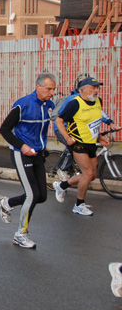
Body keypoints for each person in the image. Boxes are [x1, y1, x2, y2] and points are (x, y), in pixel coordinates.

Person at [0, 73, 56, 248]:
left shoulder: (49, 105)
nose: (52, 92)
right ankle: (20, 234)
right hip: (20, 153)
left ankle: (7, 203)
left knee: (42, 196)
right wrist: (22, 146)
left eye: (53, 89)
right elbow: (4, 129)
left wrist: (42, 146)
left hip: (37, 154)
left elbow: (41, 130)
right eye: (49, 89)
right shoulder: (22, 105)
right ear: (38, 87)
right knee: (32, 195)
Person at [53, 77, 117, 216]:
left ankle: (61, 185)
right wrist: (67, 137)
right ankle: (79, 205)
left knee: (92, 175)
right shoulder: (75, 103)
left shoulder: (97, 101)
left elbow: (94, 120)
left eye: (97, 88)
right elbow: (59, 120)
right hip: (78, 142)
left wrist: (99, 136)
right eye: (92, 87)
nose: (96, 90)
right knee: (87, 173)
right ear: (82, 90)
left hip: (91, 142)